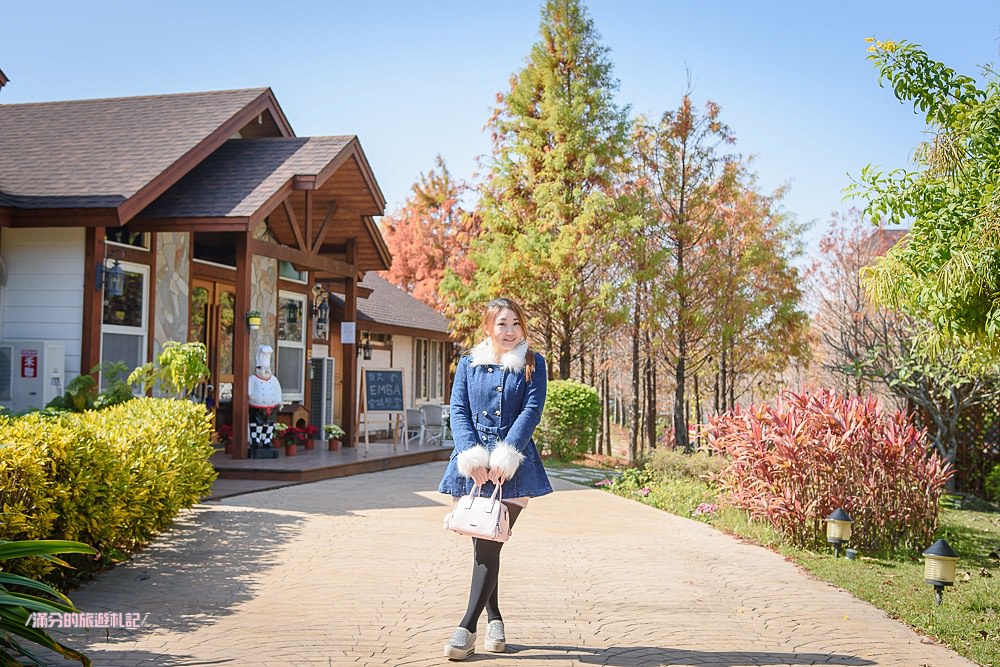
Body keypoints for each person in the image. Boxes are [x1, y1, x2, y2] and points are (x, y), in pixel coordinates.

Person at [438, 297, 552, 660]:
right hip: (472, 466)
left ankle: (466, 628)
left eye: (515, 323)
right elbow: (458, 409)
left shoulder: (534, 363)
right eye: (502, 324)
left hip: (514, 467)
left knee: (490, 543)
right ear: (489, 327)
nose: (509, 331)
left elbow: (532, 410)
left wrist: (507, 455)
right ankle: (496, 619)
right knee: (484, 544)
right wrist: (471, 454)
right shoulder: (469, 363)